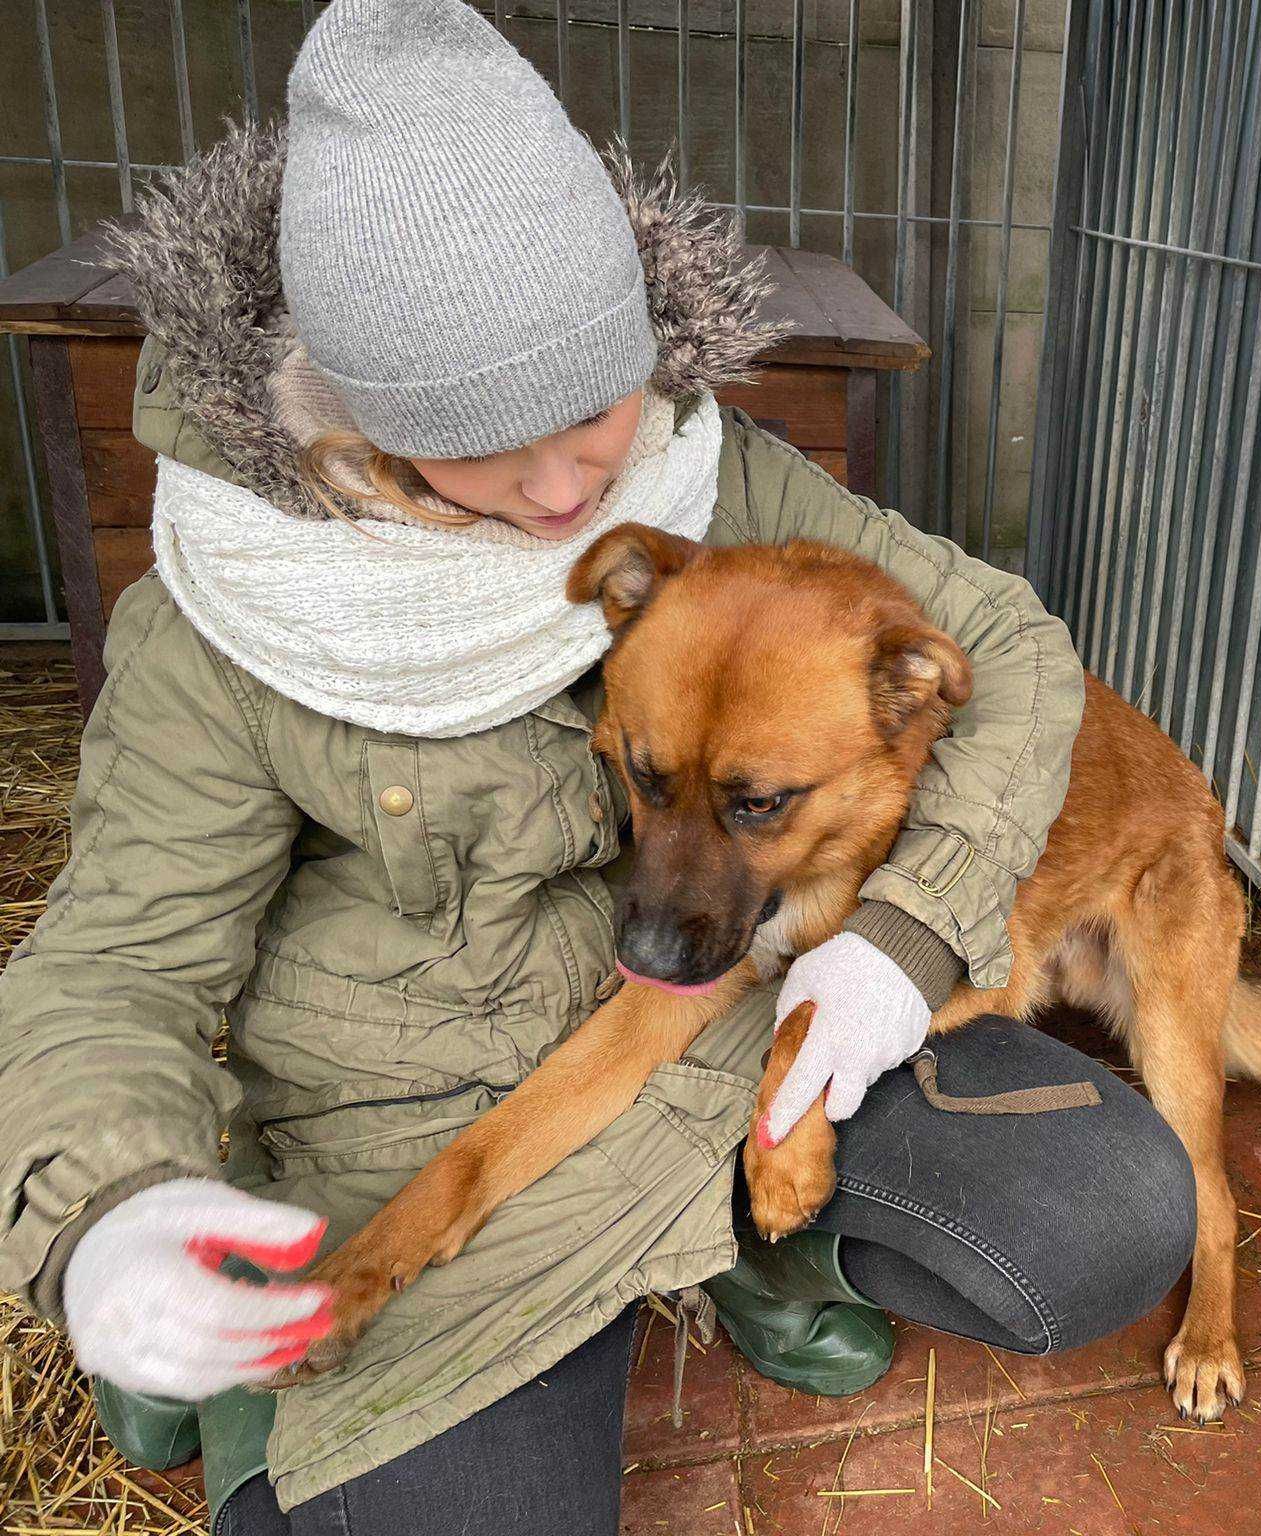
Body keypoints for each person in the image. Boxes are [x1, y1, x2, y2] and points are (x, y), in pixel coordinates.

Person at [0, 3, 1196, 1531]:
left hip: (729, 1025)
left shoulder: (712, 468)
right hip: (436, 1115)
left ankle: (755, 1244)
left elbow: (1008, 653)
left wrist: (908, 935)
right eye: (487, 445)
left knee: (1109, 1211)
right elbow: (111, 967)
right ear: (363, 414)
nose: (572, 488)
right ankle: (212, 1322)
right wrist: (105, 1211)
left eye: (597, 407)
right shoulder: (226, 606)